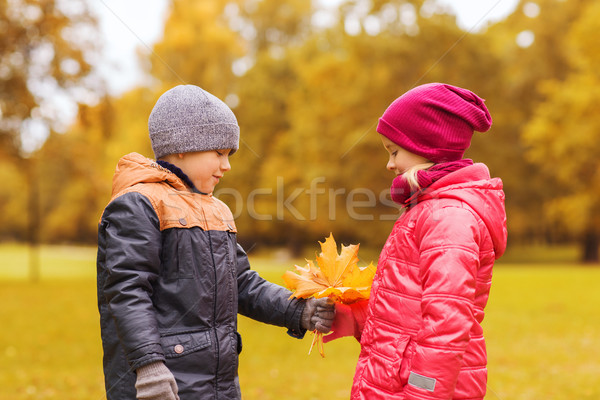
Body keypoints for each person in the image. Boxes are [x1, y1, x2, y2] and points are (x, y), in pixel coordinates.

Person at [96, 84, 335, 399]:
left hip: (216, 385)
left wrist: (298, 312)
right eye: (219, 153)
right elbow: (127, 292)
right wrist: (149, 367)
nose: (227, 165)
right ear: (182, 146)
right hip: (161, 385)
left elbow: (241, 283)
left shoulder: (215, 209)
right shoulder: (139, 203)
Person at [324, 83, 508, 399]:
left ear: (428, 146)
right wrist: (355, 315)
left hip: (418, 388)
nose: (390, 164)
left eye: (394, 151)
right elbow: (408, 307)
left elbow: (446, 324)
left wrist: (424, 393)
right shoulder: (428, 208)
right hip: (394, 379)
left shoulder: (448, 217)